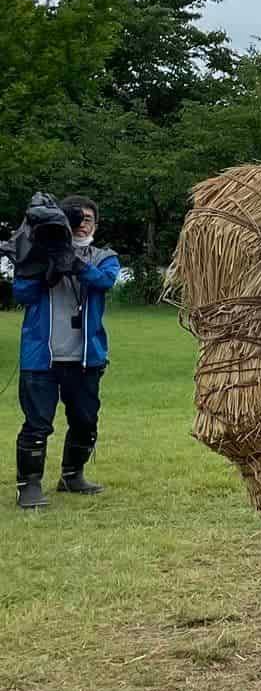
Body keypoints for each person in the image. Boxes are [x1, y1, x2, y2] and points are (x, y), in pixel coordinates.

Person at [13, 196, 120, 510]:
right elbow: (21, 293)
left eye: (89, 218)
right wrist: (48, 269)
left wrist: (73, 263)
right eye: (77, 217)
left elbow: (104, 282)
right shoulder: (36, 252)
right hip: (41, 357)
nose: (82, 223)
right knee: (37, 424)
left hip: (85, 356)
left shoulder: (104, 256)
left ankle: (72, 475)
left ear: (96, 225)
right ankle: (29, 486)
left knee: (85, 421)